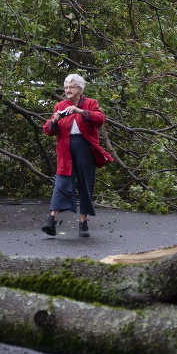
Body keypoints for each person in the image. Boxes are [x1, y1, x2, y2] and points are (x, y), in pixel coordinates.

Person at [41, 73, 112, 237]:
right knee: (61, 183)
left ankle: (83, 223)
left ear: (80, 88)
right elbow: (48, 130)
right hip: (65, 150)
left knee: (85, 184)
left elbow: (100, 119)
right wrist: (54, 121)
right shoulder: (60, 106)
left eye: (71, 87)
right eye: (66, 87)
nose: (67, 90)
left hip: (85, 149)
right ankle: (51, 221)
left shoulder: (90, 103)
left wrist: (80, 111)